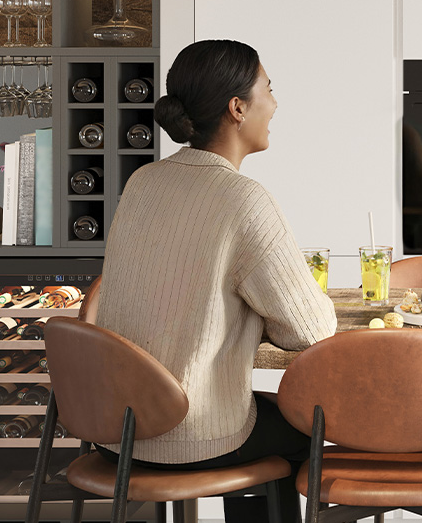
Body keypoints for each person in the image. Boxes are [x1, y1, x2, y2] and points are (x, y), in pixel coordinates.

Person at [94, 39, 337, 522]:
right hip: (190, 434)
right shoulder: (244, 199)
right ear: (238, 108)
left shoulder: (144, 182)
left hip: (116, 430)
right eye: (269, 89)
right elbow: (310, 331)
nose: (275, 103)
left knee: (259, 416)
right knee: (312, 429)